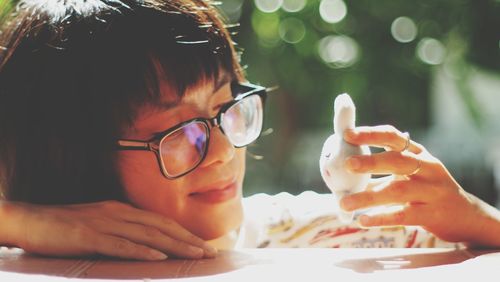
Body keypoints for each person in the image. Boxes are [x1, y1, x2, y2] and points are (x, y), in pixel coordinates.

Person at [0, 0, 499, 261]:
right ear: (72, 157)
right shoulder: (24, 256)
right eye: (182, 132)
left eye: (227, 108)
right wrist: (29, 224)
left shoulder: (327, 234)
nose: (222, 151)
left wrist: (478, 219)